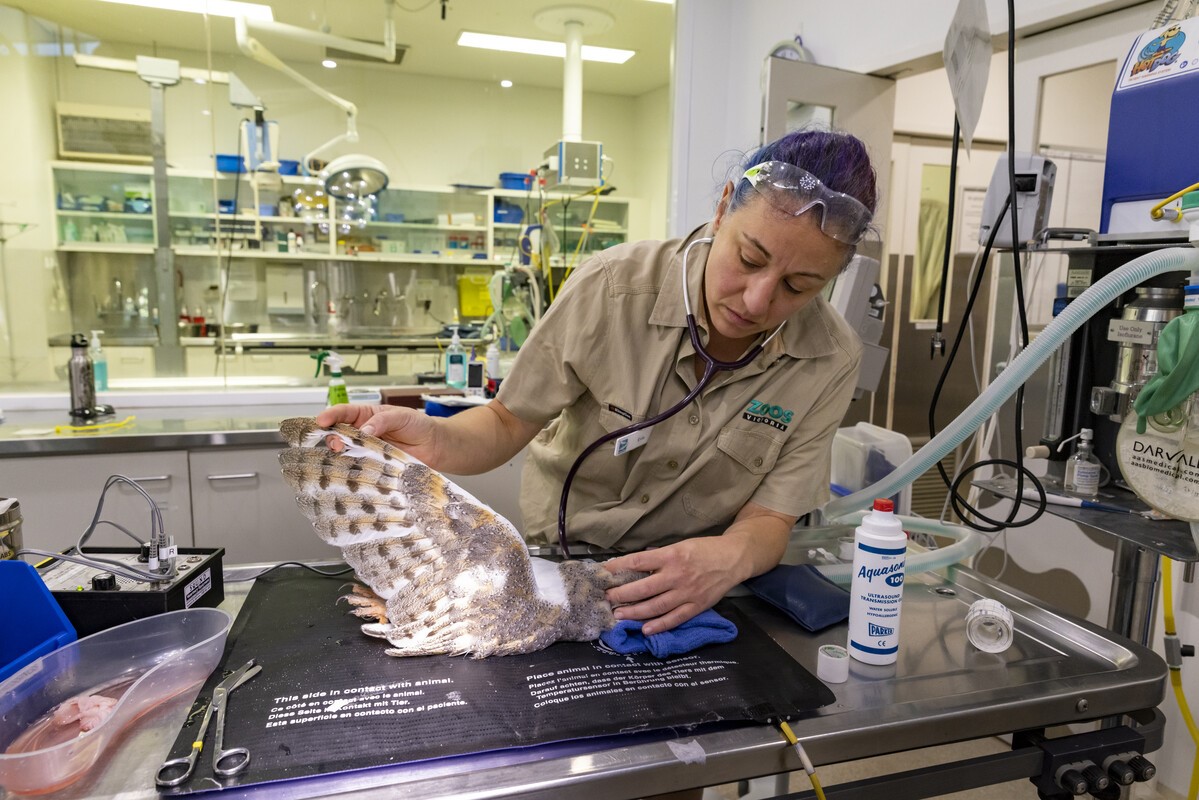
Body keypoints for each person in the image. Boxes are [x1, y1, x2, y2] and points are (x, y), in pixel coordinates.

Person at [316, 127, 877, 637]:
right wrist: (436, 440)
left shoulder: (828, 358)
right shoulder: (611, 288)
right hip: (561, 566)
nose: (758, 301)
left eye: (799, 286)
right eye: (749, 258)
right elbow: (507, 421)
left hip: (694, 590)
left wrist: (730, 559)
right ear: (723, 209)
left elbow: (770, 519)